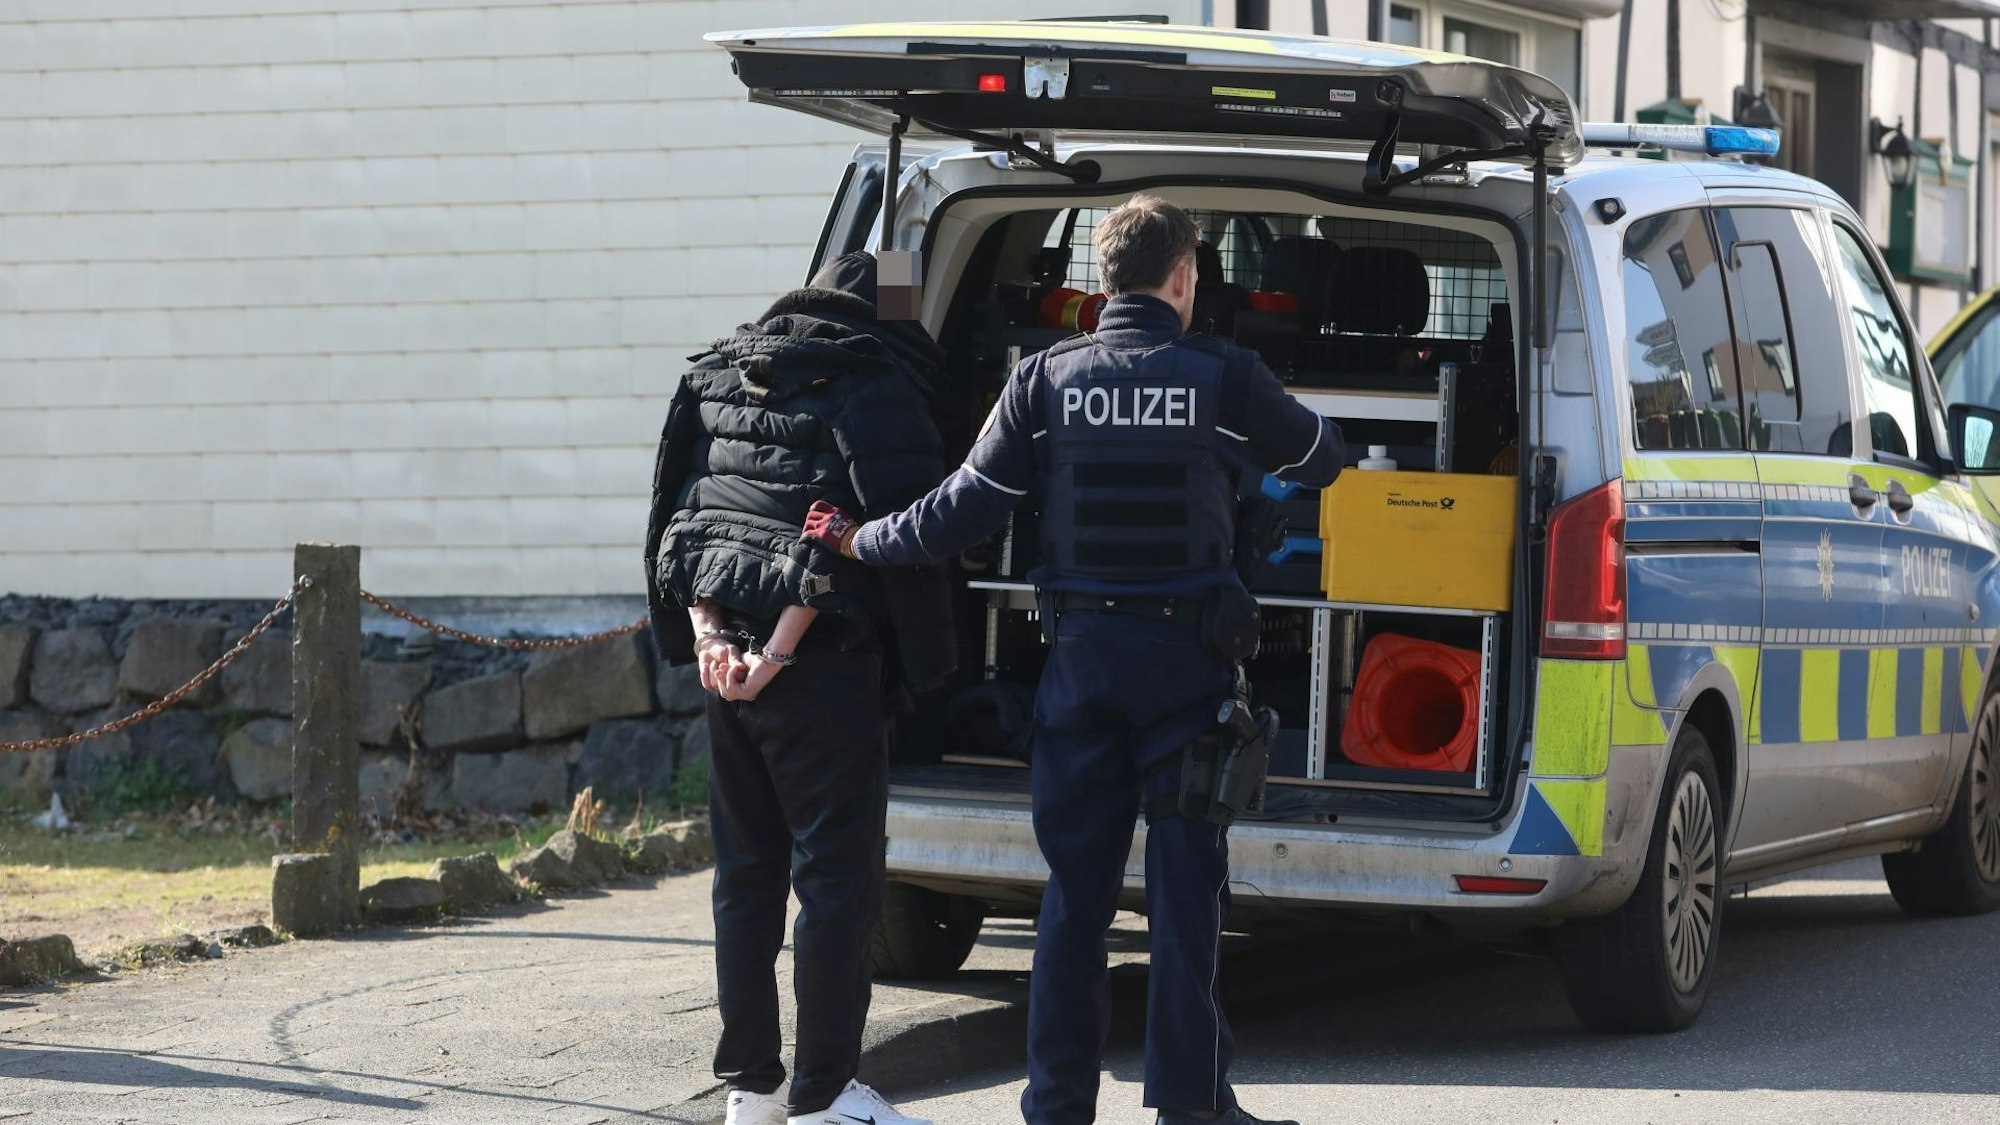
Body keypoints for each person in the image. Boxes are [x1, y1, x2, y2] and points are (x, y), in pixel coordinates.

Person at [802, 195, 1343, 1125]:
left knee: (1074, 904)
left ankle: (1057, 1109)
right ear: (1184, 277)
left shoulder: (1045, 380)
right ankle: (1191, 1109)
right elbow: (1323, 457)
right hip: (1188, 673)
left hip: (1081, 671)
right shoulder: (1224, 377)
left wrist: (858, 540)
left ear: (1102, 280)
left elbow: (959, 512)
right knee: (1184, 907)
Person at [645, 251, 956, 1125]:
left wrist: (707, 639)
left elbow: (687, 515)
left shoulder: (722, 373)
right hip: (817, 667)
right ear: (889, 314)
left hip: (727, 664)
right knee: (835, 879)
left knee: (745, 874)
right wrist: (928, 671)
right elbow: (895, 538)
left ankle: (753, 1085)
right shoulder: (874, 381)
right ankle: (825, 1095)